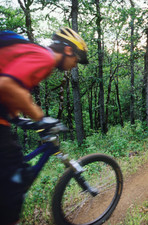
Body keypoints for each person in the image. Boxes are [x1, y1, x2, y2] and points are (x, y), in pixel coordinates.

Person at [0, 27, 88, 225]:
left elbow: (9, 91)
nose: (75, 64)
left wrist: (18, 117)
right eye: (77, 58)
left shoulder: (34, 54)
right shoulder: (45, 57)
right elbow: (6, 85)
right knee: (12, 189)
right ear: (67, 50)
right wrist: (40, 118)